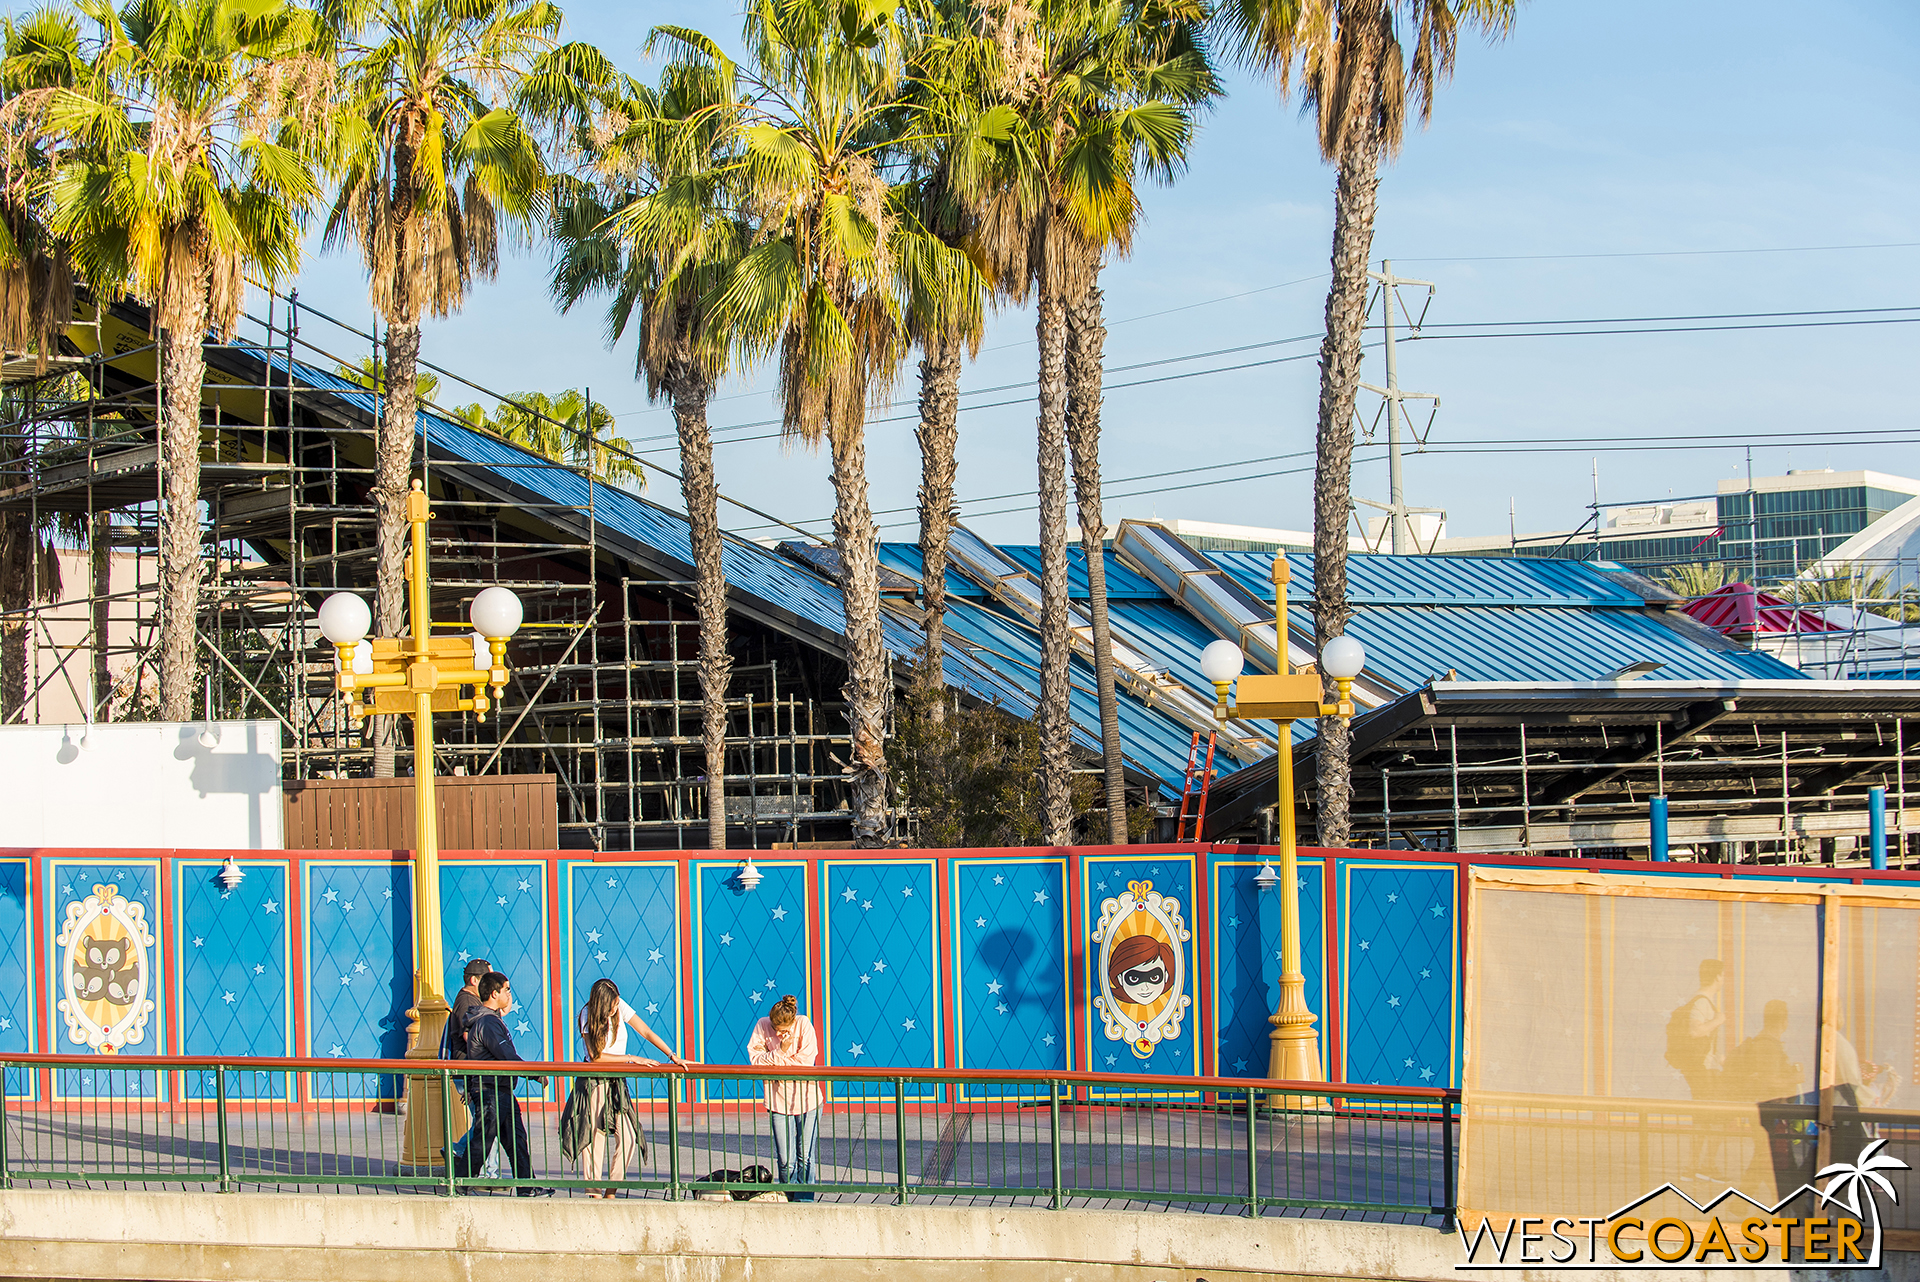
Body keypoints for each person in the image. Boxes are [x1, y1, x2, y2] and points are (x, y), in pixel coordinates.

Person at [561, 978, 677, 1198]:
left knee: (628, 1136)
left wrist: (671, 1055)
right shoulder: (588, 1014)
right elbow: (595, 1057)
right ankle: (593, 1192)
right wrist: (631, 1059)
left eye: (617, 1004)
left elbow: (646, 1031)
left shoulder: (619, 1006)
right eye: (612, 1006)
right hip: (594, 1081)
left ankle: (611, 1191)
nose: (616, 1008)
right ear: (602, 1004)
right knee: (594, 1136)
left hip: (616, 1082)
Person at [456, 971, 552, 1197]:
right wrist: (535, 1074)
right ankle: (459, 1185)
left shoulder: (490, 1020)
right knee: (483, 1139)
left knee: (516, 1140)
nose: (510, 994)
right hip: (491, 1091)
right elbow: (506, 1054)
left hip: (500, 1090)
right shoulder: (488, 1022)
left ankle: (526, 1187)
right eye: (506, 990)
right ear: (494, 993)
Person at [748, 995, 821, 1202]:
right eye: (775, 1029)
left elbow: (806, 1062)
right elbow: (756, 1061)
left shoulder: (804, 1024)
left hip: (808, 1099)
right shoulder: (762, 1026)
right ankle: (787, 1198)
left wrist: (775, 1062)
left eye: (783, 1030)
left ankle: (805, 1200)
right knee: (785, 1158)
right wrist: (781, 1050)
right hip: (778, 1100)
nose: (778, 1033)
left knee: (805, 1156)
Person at [1665, 960, 1726, 1179]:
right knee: (1713, 1115)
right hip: (1701, 1071)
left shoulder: (1703, 1001)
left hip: (1705, 1068)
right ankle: (1700, 1166)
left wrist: (1717, 1058)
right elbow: (1695, 1032)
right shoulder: (1702, 1003)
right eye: (1723, 975)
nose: (1724, 979)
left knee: (1708, 1116)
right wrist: (1718, 1021)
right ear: (1717, 976)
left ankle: (1699, 1166)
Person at [443, 958, 500, 1175]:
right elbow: (472, 1038)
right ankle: (486, 1171)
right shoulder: (468, 1002)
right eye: (487, 979)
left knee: (486, 1121)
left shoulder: (472, 1000)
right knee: (487, 1122)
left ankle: (466, 1154)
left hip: (473, 1071)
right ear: (475, 980)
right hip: (470, 1070)